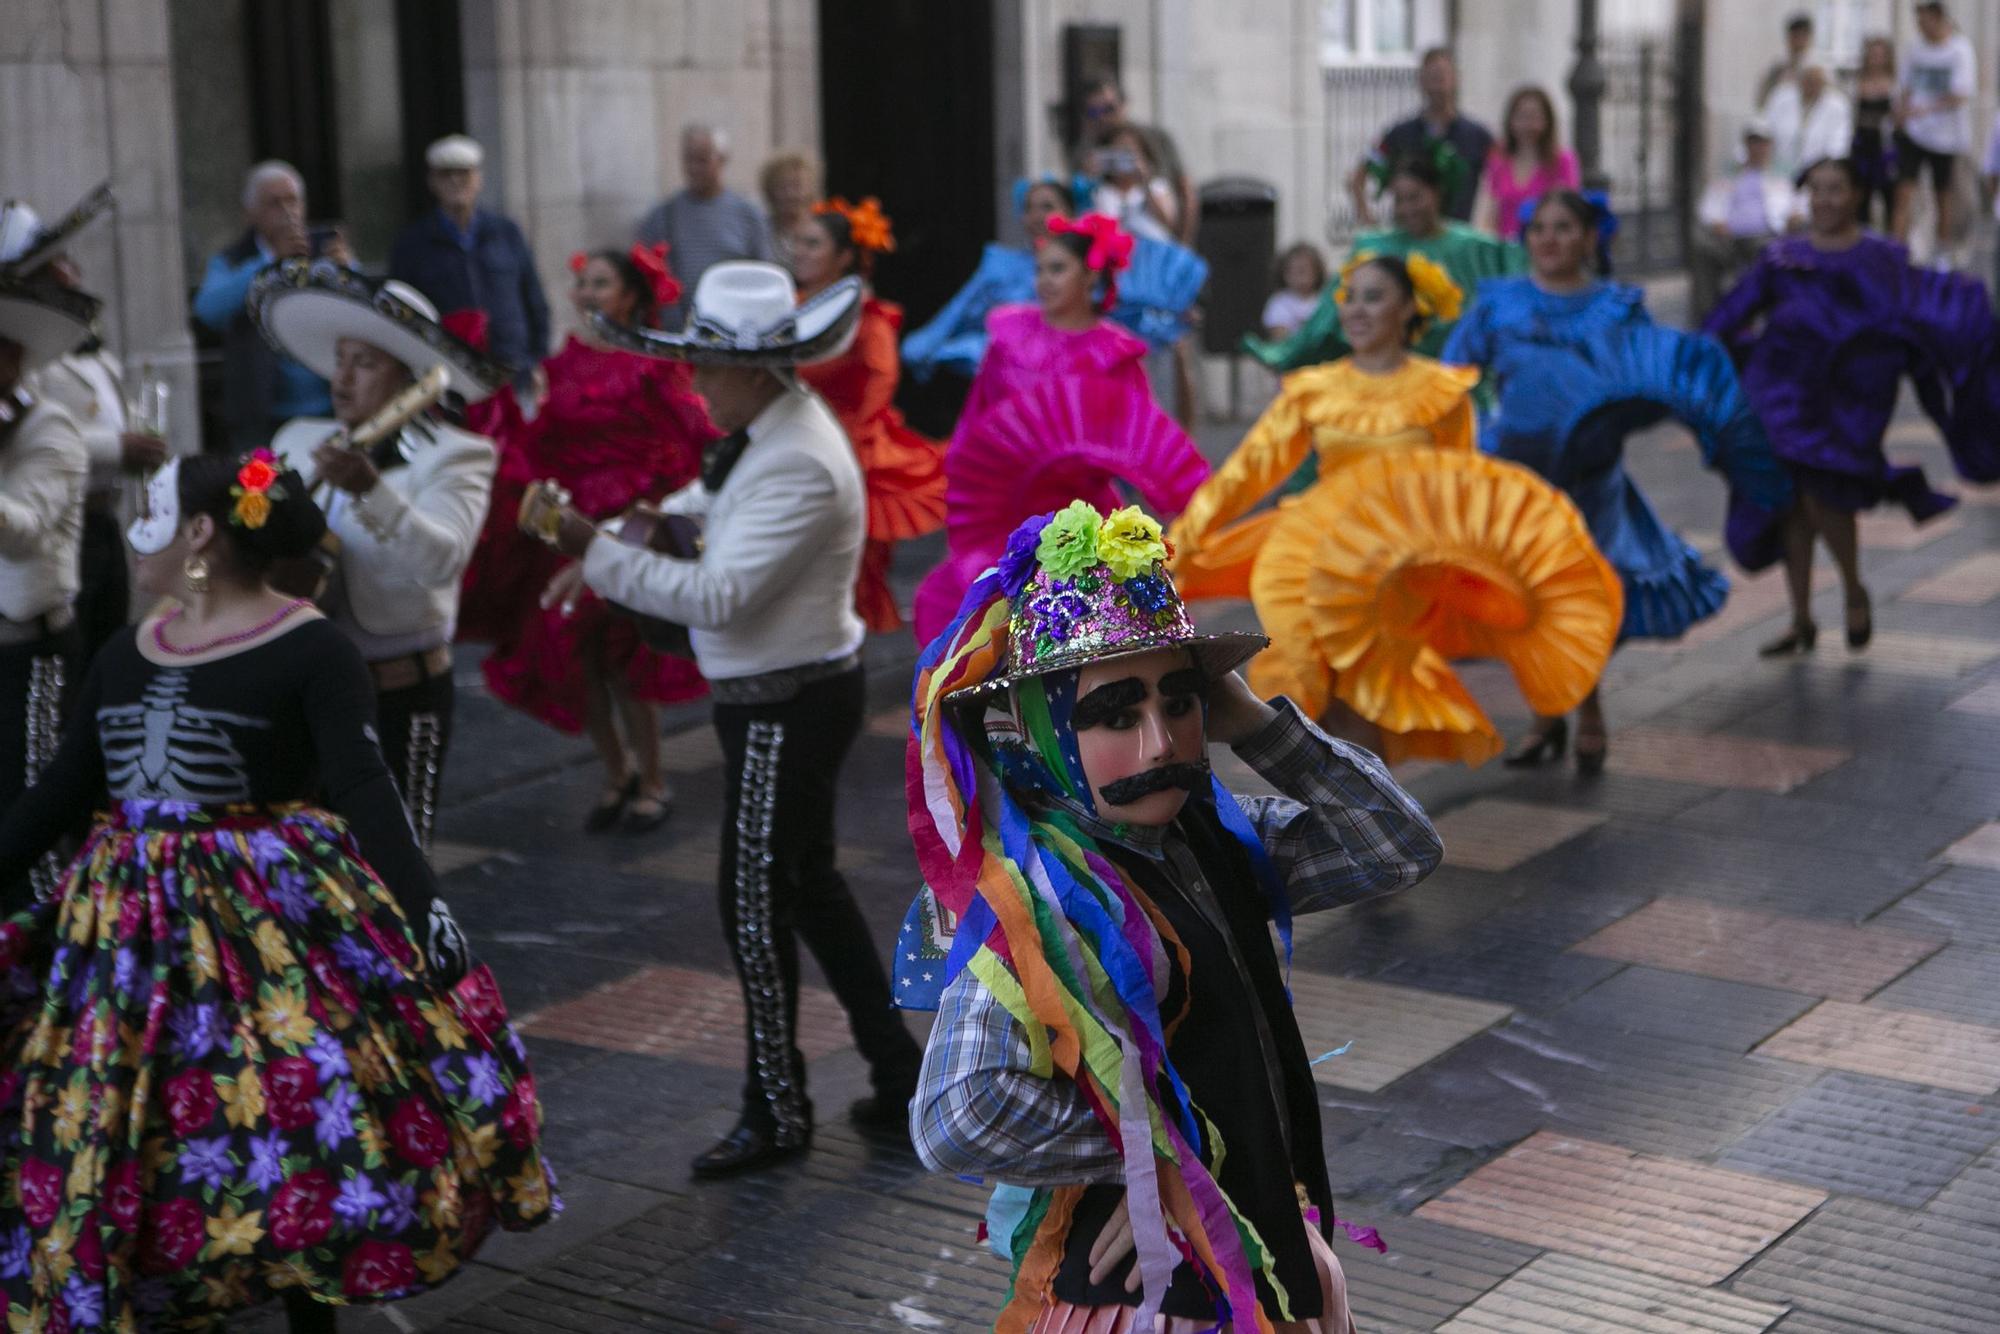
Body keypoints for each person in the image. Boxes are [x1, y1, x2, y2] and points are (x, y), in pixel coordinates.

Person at [0, 449, 555, 1333]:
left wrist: (423, 908)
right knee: (140, 1128)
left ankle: (310, 1312)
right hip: (129, 939)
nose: (129, 531)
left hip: (264, 925)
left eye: (150, 511)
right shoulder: (125, 650)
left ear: (200, 533)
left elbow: (366, 786)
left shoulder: (312, 647)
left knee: (292, 1117)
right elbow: (60, 791)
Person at [900, 499, 1443, 1331]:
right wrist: (1165, 1159)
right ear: (1037, 734)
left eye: (1179, 703)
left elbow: (1395, 845)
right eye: (1116, 716)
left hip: (1252, 1251)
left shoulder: (1212, 839)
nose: (1160, 743)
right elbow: (957, 1114)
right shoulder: (1043, 897)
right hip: (1156, 1297)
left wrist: (1253, 722)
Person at [533, 261, 925, 1177]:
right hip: (786, 695)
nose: (692, 381)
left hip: (786, 704)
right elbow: (702, 505)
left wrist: (593, 550)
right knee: (811, 892)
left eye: (704, 366)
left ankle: (777, 1108)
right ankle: (896, 1073)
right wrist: (621, 534)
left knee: (754, 907)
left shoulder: (795, 455)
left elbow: (717, 594)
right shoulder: (769, 428)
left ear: (751, 370)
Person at [1171, 254, 1622, 766]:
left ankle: (1369, 818)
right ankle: (1350, 818)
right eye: (1349, 298)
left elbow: (1461, 492)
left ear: (1409, 308)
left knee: (1367, 695)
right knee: (1308, 687)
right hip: (1310, 558)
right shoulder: (1315, 389)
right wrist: (1185, 536)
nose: (1356, 310)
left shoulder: (1442, 392)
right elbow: (1244, 473)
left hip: (1395, 571)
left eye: (1374, 297)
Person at [1445, 191, 1792, 771]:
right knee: (1526, 598)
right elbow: (1451, 378)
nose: (1549, 240)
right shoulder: (1499, 303)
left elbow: (1652, 379)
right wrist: (1473, 433)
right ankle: (1548, 711)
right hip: (1516, 480)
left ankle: (1586, 709)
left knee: (1583, 594)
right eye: (1538, 229)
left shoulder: (1617, 306)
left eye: (1563, 228)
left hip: (1590, 481)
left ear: (1589, 238)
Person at [252, 260, 506, 851]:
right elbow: (248, 513)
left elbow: (443, 559)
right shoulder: (295, 438)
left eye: (364, 363)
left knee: (396, 864)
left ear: (413, 378)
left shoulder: (457, 455)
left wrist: (373, 492)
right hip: (305, 693)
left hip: (398, 696)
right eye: (340, 359)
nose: (342, 378)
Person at [461, 244, 713, 833]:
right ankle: (615, 770)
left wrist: (661, 516)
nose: (588, 294)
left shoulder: (652, 361)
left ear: (628, 295)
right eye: (583, 284)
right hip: (568, 531)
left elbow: (693, 436)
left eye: (601, 283)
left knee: (625, 658)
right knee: (573, 653)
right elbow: (541, 439)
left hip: (628, 530)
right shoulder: (562, 364)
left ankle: (653, 778)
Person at [1705, 157, 2000, 657]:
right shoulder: (1782, 257)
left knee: (1826, 494)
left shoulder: (1882, 256)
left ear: (1858, 195)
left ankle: (1853, 589)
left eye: (1835, 189)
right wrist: (1723, 354)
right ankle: (1801, 619)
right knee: (1789, 500)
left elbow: (1918, 306)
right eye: (1816, 189)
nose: (1823, 200)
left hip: (1851, 398)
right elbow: (1730, 313)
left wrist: (1962, 319)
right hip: (1784, 392)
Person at [909, 212, 1211, 641]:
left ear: (1091, 276)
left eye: (1058, 269)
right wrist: (964, 521)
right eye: (1040, 269)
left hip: (1084, 524)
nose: (1044, 280)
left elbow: (1141, 441)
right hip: (1005, 519)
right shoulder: (1010, 340)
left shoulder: (1114, 354)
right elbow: (974, 430)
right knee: (969, 624)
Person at [1, 189, 170, 662]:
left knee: (111, 647)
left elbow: (101, 406)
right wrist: (119, 446)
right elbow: (46, 430)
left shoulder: (76, 337)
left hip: (101, 512)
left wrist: (138, 434)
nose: (68, 272)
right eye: (53, 265)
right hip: (57, 520)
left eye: (65, 262)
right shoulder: (27, 347)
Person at [791, 197, 945, 633]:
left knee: (845, 586)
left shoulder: (866, 320)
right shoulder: (790, 308)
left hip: (851, 453)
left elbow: (879, 385)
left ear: (843, 257)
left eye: (812, 243)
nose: (800, 251)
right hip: (797, 447)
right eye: (798, 241)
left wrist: (838, 447)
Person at [902, 174, 1208, 386]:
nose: (1036, 216)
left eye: (1046, 207)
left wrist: (1171, 316)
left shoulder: (1093, 268)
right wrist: (927, 344)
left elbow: (1126, 312)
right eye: (1029, 208)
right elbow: (959, 309)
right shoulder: (1000, 266)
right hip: (1016, 387)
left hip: (1078, 382)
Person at [1249, 151, 1521, 374]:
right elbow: (1331, 312)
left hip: (1455, 379)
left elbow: (1520, 283)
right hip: (1389, 379)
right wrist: (1289, 352)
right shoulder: (1375, 247)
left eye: (1415, 197)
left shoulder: (1474, 248)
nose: (1406, 209)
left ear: (1437, 192)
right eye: (1399, 200)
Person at [0, 270, 93, 901]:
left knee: (34, 813)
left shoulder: (51, 427)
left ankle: (50, 963)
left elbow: (23, 531)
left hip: (31, 651)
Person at [193, 161, 350, 452]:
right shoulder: (236, 260)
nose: (287, 212)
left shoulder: (322, 250)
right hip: (262, 417)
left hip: (329, 408)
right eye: (274, 204)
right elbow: (208, 309)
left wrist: (347, 270)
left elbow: (365, 314)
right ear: (250, 214)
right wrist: (270, 262)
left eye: (293, 201)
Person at [389, 134, 552, 388]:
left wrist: (538, 359)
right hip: (451, 374)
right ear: (431, 181)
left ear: (478, 178)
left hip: (513, 369)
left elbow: (534, 300)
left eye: (464, 173)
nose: (455, 181)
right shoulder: (413, 243)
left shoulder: (506, 232)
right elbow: (403, 312)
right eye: (446, 174)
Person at [634, 124, 775, 327]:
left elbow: (763, 276)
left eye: (702, 160)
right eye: (688, 159)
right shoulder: (663, 215)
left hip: (734, 329)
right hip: (679, 334)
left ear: (722, 159)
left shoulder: (748, 214)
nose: (694, 168)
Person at [1349, 48, 1493, 223]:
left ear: (1456, 79)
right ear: (1421, 80)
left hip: (1457, 240)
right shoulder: (1400, 133)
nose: (1437, 84)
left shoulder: (1477, 135)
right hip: (1408, 238)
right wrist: (1368, 220)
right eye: (1431, 76)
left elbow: (1506, 176)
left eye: (1442, 76)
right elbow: (1358, 176)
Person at [1690, 119, 1797, 321]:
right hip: (1728, 237)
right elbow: (1708, 206)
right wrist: (1717, 222)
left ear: (1771, 145)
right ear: (1746, 144)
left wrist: (1793, 217)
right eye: (1753, 142)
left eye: (1763, 142)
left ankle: (1756, 314)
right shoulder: (1730, 173)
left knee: (1762, 250)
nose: (1758, 148)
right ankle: (1708, 319)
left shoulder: (1782, 174)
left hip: (1766, 236)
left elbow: (1799, 204)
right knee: (1703, 249)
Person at [1893, 1, 1977, 255]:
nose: (1920, 26)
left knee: (1944, 196)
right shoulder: (1915, 48)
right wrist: (1903, 112)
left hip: (1946, 138)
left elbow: (1961, 94)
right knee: (1904, 192)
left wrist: (1926, 109)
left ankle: (1942, 251)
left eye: (1924, 19)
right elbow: (1906, 85)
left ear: (1938, 17)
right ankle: (1897, 249)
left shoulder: (1959, 50)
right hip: (1915, 133)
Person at [1074, 78, 1197, 245]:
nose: (1103, 117)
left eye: (1109, 109)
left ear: (1124, 105)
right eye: (1094, 112)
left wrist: (1183, 246)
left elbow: (1185, 190)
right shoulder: (1085, 149)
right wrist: (1088, 181)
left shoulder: (1155, 138)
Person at [1474, 86, 1581, 241]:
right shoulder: (1498, 161)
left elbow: (1571, 213)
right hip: (1508, 251)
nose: (1528, 125)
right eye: (1521, 117)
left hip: (1548, 249)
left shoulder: (1563, 160)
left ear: (1547, 121)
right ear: (1510, 121)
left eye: (1534, 117)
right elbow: (1489, 215)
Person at [1767, 65, 1853, 177]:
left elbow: (1839, 143)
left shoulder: (1838, 105)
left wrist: (1828, 168)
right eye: (1808, 80)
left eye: (1816, 81)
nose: (1811, 85)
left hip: (1817, 171)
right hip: (1780, 166)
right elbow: (1767, 128)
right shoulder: (1782, 97)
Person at [1852, 36, 1901, 228]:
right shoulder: (1857, 83)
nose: (1876, 59)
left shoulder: (1895, 84)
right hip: (1862, 144)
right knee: (1861, 194)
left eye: (1881, 55)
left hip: (1885, 146)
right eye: (1873, 55)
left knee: (1890, 194)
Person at [759, 150, 823, 266]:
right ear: (770, 192)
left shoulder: (823, 230)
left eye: (797, 186)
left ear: (811, 189)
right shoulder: (760, 230)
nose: (790, 194)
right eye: (782, 187)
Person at [1262, 241, 1326, 339]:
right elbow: (1279, 336)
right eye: (1290, 272)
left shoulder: (1324, 300)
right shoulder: (1279, 302)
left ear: (1316, 272)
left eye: (1302, 271)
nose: (1296, 277)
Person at [1758, 11, 1817, 108]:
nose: (1798, 42)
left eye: (1802, 36)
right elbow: (1763, 99)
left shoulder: (1817, 70)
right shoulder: (1778, 68)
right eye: (1795, 36)